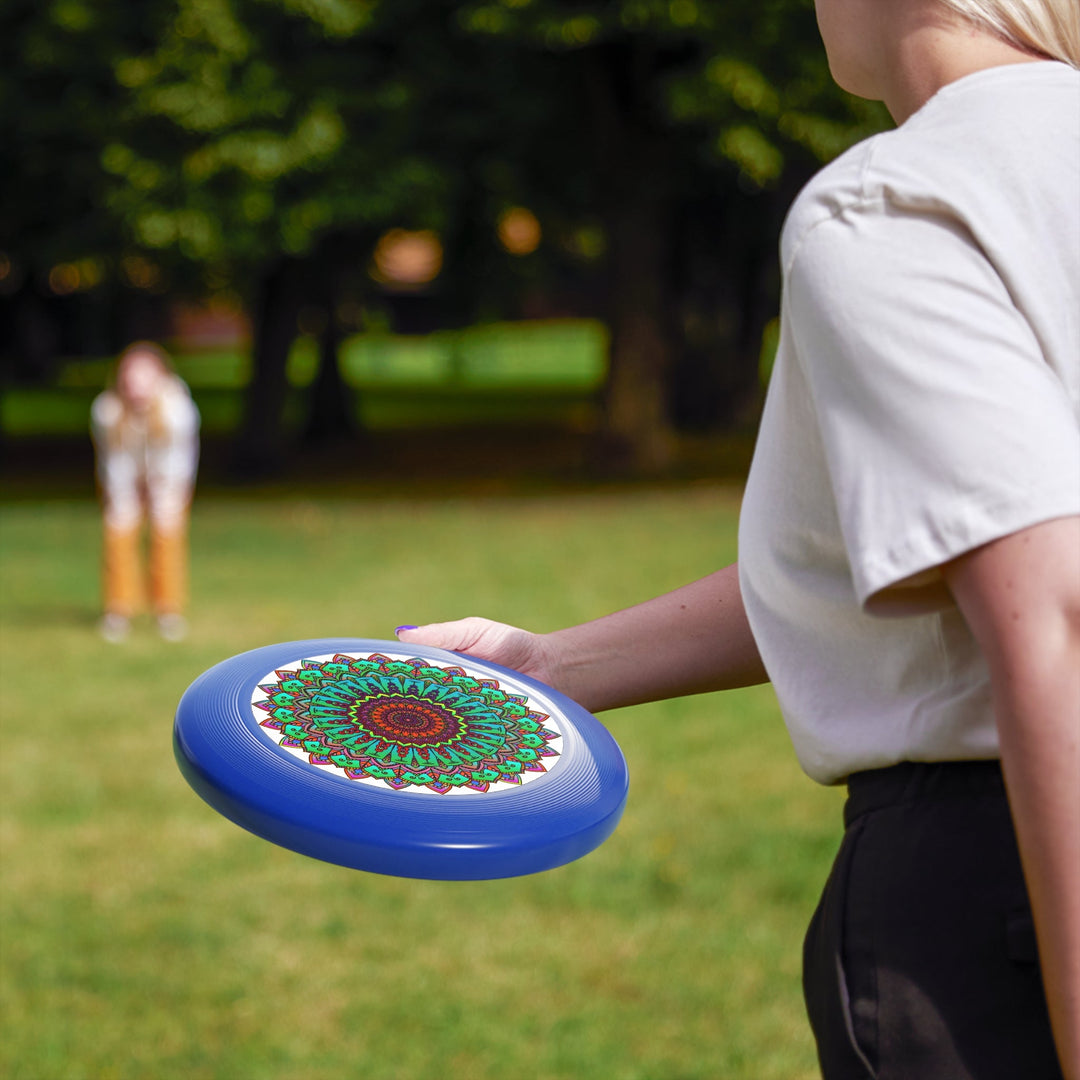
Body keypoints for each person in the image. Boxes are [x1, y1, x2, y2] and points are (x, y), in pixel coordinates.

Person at [395, 1, 1080, 1077]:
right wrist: (552, 667)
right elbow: (911, 554)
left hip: (1004, 888)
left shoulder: (900, 201)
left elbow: (1054, 615)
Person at [91, 341, 200, 642]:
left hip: (168, 479)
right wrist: (126, 495)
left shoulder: (178, 410)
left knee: (167, 535)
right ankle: (118, 610)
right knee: (118, 531)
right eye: (130, 377)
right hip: (123, 478)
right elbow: (114, 460)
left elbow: (177, 460)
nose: (136, 385)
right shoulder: (107, 410)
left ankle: (168, 611)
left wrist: (160, 492)